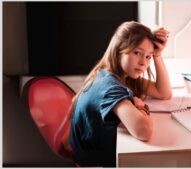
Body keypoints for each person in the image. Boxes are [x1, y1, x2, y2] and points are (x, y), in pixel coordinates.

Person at [68, 21, 172, 167]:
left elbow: (163, 93)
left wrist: (157, 55)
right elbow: (144, 131)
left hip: (93, 152)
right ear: (118, 51)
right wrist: (140, 106)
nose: (143, 62)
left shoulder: (120, 75)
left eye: (148, 56)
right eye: (137, 53)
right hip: (97, 163)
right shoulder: (109, 87)